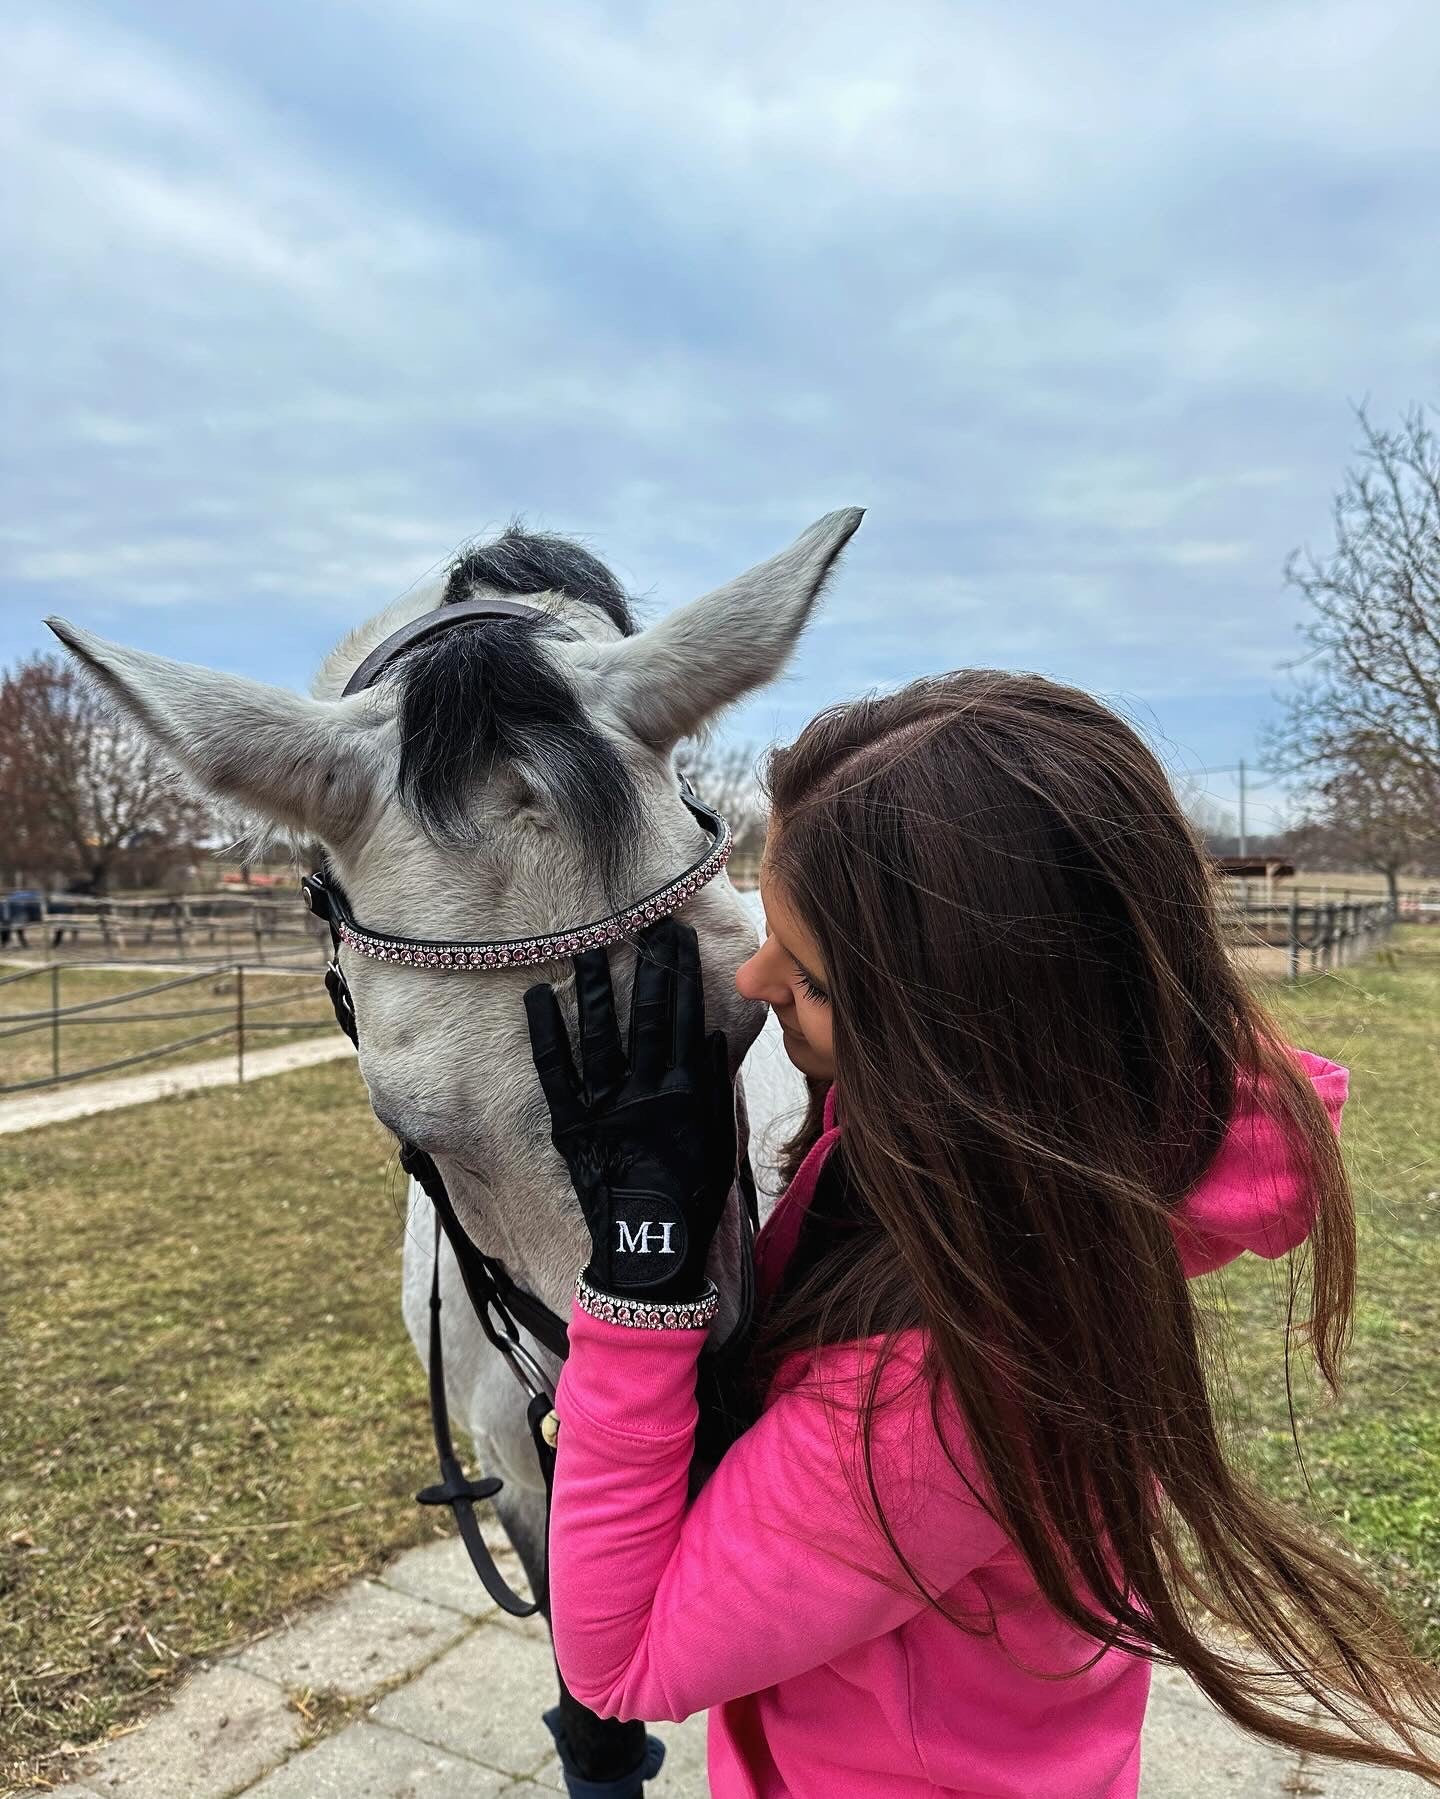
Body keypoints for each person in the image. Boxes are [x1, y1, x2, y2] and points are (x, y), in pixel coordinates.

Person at [523, 671, 1440, 1799]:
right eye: (770, 935)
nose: (754, 985)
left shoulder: (925, 1403)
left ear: (955, 1037)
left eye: (805, 980)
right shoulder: (1053, 1163)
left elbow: (616, 1662)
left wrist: (643, 1271)